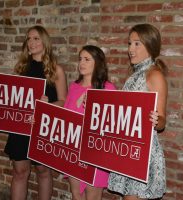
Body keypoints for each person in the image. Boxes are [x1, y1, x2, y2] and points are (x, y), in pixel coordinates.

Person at [4, 25, 67, 200]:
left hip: (43, 126)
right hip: (21, 125)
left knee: (43, 171)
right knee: (19, 171)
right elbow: (12, 98)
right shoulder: (21, 68)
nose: (31, 42)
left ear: (45, 41)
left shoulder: (56, 70)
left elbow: (63, 101)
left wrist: (47, 107)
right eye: (29, 39)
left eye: (36, 38)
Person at [107, 24, 168, 200]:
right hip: (129, 149)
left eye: (137, 44)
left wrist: (157, 120)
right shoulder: (134, 75)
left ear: (150, 45)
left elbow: (162, 120)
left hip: (144, 153)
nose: (130, 49)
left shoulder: (154, 75)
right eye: (129, 43)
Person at [64, 45, 116, 200]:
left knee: (92, 196)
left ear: (97, 63)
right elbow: (65, 116)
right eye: (80, 59)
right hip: (73, 149)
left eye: (87, 59)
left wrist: (94, 107)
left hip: (95, 152)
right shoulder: (74, 86)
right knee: (76, 194)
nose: (82, 63)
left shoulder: (108, 88)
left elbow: (113, 123)